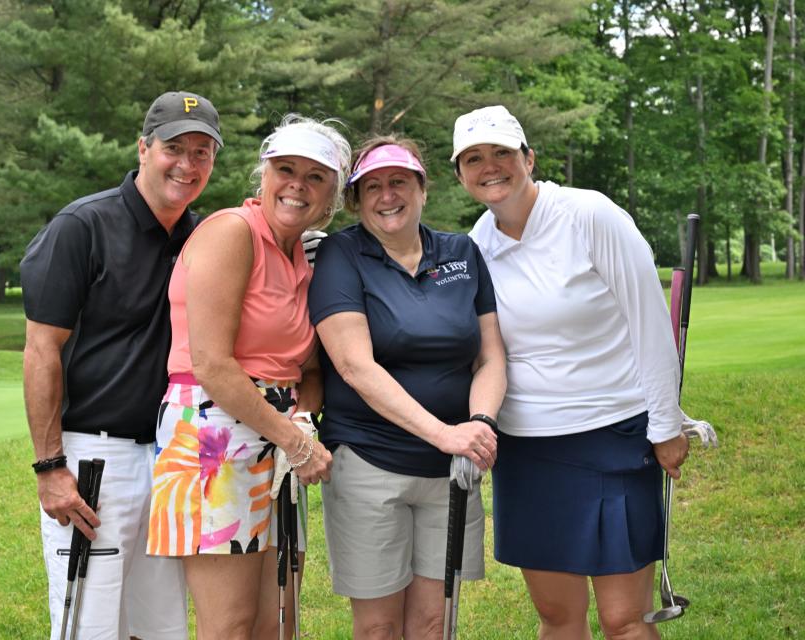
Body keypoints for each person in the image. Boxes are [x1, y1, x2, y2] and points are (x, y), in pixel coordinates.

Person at [452, 105, 690, 639]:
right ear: (461, 175)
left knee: (624, 619)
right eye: (473, 159)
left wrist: (666, 425)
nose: (490, 167)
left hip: (613, 436)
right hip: (528, 448)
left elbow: (651, 324)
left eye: (502, 153)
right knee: (558, 618)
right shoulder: (479, 243)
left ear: (528, 158)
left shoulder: (590, 214)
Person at [21, 90, 223, 640]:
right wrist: (49, 467)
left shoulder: (201, 237)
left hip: (169, 458)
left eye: (202, 152)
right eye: (174, 148)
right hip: (92, 461)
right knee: (88, 624)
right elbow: (41, 351)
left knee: (161, 627)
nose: (187, 164)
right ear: (143, 148)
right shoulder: (81, 226)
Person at [146, 114, 347, 640]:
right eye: (285, 168)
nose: (297, 184)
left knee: (279, 618)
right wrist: (294, 441)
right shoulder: (233, 232)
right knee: (230, 625)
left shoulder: (303, 255)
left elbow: (307, 368)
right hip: (213, 435)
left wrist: (301, 419)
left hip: (279, 438)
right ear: (263, 174)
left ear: (333, 194)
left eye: (316, 176)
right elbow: (211, 364)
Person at [307, 136, 507, 639]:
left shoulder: (462, 252)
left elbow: (490, 356)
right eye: (371, 186)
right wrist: (444, 433)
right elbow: (354, 366)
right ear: (355, 200)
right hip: (371, 462)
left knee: (434, 620)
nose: (386, 195)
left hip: (452, 468)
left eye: (399, 182)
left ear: (422, 189)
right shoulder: (342, 254)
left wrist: (478, 424)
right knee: (378, 627)